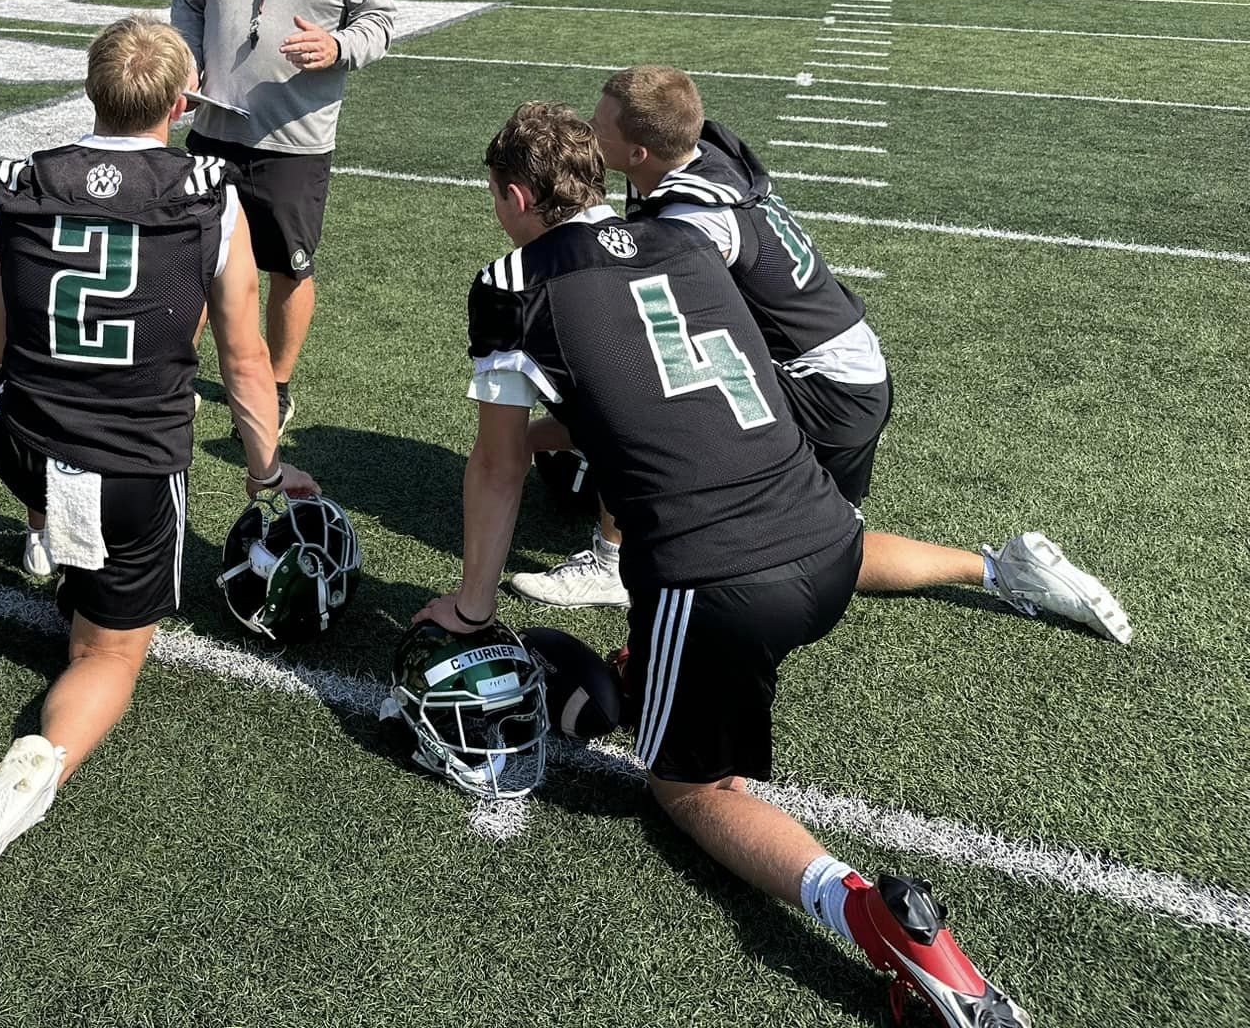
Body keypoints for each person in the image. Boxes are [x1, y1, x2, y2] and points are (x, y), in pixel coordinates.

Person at [416, 100, 1037, 1028]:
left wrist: (469, 609)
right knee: (670, 654)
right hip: (830, 538)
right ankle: (665, 669)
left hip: (721, 584)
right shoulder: (686, 240)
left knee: (685, 785)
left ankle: (876, 922)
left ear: (514, 195)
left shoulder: (510, 280)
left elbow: (503, 465)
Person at [510, 65, 1133, 647]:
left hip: (821, 385)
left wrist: (527, 438)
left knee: (640, 406)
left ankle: (614, 567)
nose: (589, 136)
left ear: (640, 153)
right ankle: (1001, 569)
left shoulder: (695, 223)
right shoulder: (706, 159)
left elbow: (662, 351)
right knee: (834, 548)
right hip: (856, 370)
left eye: (599, 127)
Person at [0, 18, 319, 900]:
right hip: (130, 470)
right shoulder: (209, 194)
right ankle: (38, 764)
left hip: (19, 443)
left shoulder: (20, 182)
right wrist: (263, 474)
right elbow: (245, 364)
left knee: (42, 444)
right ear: (181, 104)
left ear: (90, 89)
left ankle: (45, 536)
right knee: (104, 656)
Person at [169, 0, 394, 432]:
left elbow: (379, 22)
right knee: (191, 261)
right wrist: (187, 57)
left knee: (288, 270)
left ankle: (277, 382)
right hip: (213, 128)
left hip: (295, 137)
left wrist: (338, 45)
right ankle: (175, 374)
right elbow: (188, 5)